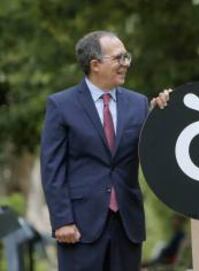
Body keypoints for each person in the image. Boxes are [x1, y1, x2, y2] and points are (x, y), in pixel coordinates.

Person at [40, 30, 169, 271]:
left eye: (126, 57)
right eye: (119, 58)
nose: (125, 64)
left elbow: (155, 150)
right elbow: (52, 169)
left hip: (127, 224)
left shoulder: (139, 103)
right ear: (95, 64)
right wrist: (62, 220)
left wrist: (163, 113)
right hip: (78, 227)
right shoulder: (61, 105)